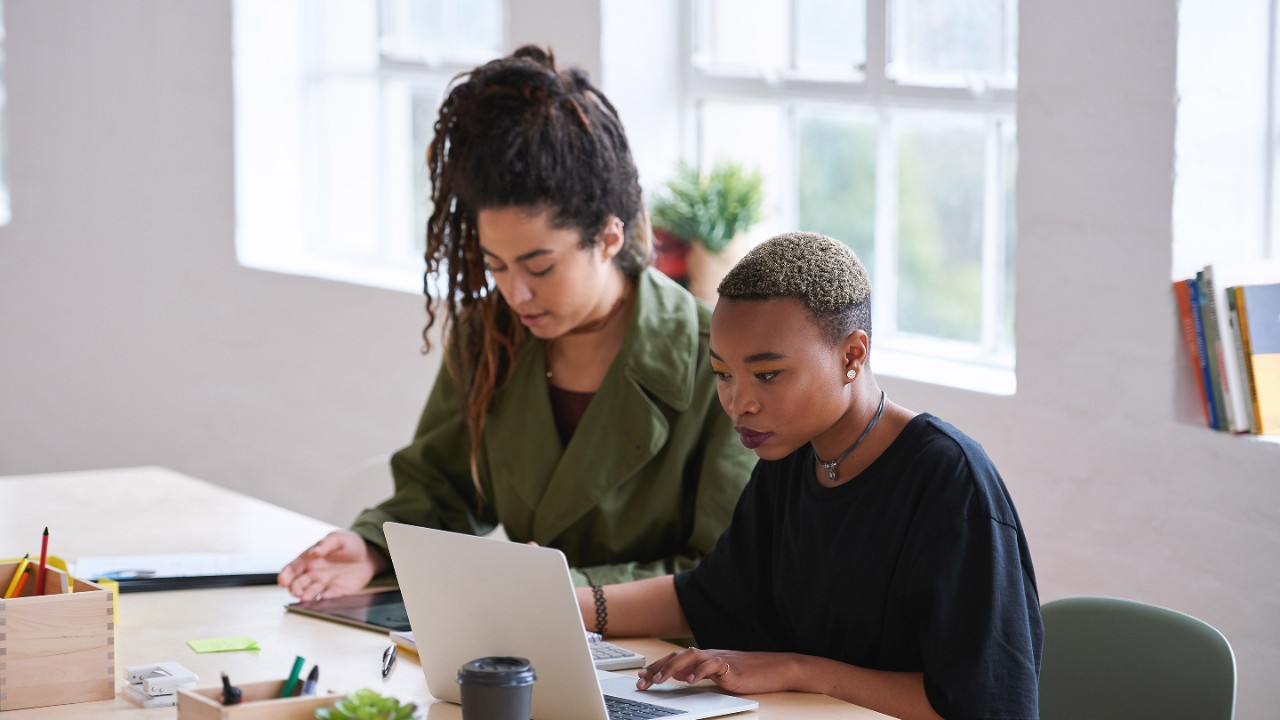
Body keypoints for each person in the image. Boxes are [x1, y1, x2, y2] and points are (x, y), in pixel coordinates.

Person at [279, 46, 755, 602]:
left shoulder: (718, 358)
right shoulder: (491, 335)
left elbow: (726, 572)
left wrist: (560, 590)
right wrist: (372, 548)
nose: (515, 293)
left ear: (608, 237)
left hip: (676, 667)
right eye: (495, 265)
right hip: (528, 636)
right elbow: (442, 489)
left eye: (540, 266)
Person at [576, 232, 1043, 720]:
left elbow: (983, 704)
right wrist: (565, 602)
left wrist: (798, 669)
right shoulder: (793, 457)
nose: (739, 403)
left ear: (852, 356)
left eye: (768, 374)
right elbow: (707, 597)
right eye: (723, 373)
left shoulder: (950, 483)